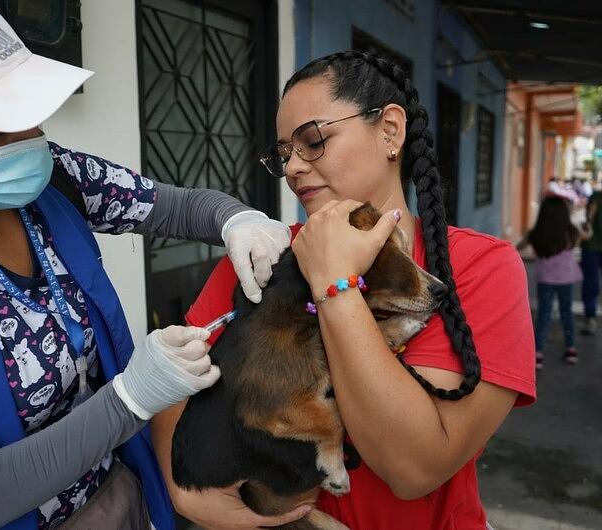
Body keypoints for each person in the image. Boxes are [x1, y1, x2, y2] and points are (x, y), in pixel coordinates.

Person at [0, 1, 291, 529]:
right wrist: (132, 397)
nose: (29, 142)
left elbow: (179, 207)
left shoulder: (54, 182)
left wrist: (239, 221)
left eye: (29, 115)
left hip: (118, 493)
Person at [151, 50, 536, 530]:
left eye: (313, 141)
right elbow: (174, 387)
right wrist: (185, 493)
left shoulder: (483, 267)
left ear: (390, 131)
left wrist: (336, 282)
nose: (293, 168)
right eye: (284, 153)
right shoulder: (263, 257)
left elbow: (412, 467)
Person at [519, 196, 585, 368]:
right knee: (566, 312)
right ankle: (571, 348)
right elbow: (581, 239)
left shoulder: (535, 233)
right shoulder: (571, 232)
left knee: (544, 314)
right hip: (565, 280)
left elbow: (517, 247)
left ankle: (538, 353)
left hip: (545, 279)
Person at [580, 188, 602, 335]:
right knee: (591, 283)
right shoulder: (596, 196)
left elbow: (589, 219)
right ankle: (590, 316)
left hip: (592, 247)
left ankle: (591, 317)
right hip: (592, 246)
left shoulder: (596, 196)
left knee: (591, 283)